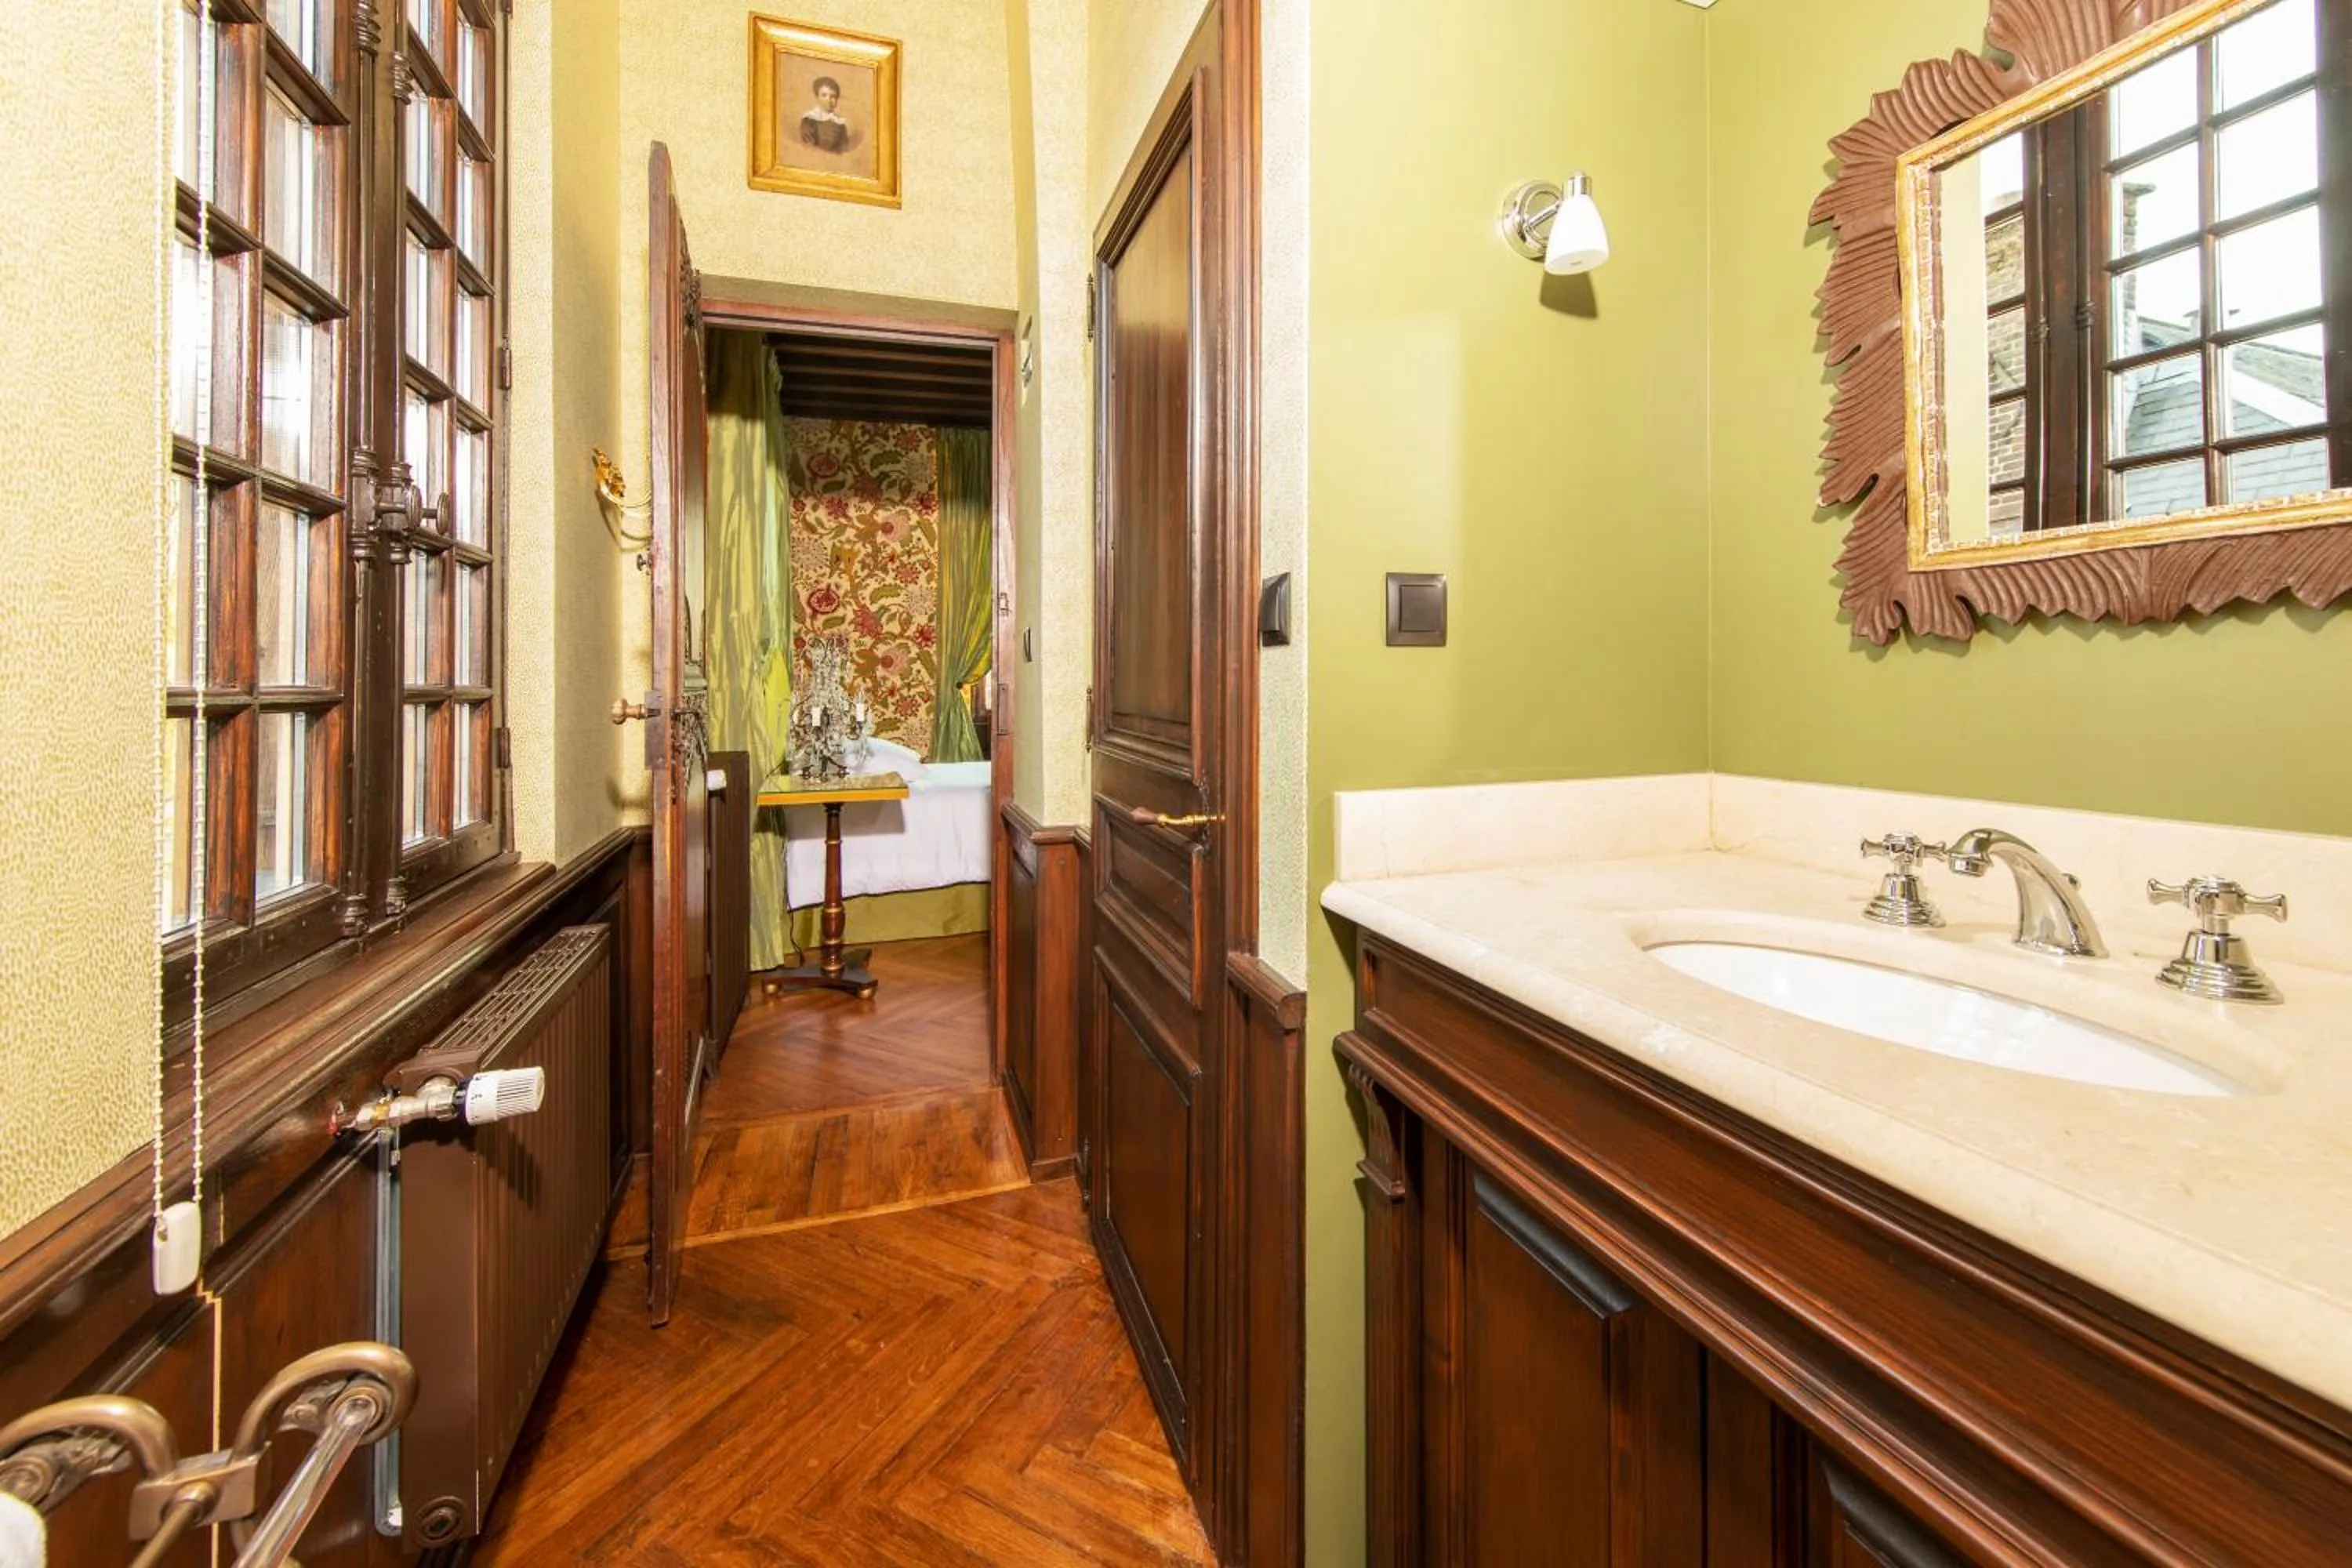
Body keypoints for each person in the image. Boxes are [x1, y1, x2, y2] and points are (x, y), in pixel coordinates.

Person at [799, 76, 849, 154]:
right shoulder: (810, 120)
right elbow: (809, 147)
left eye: (833, 96)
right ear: (817, 97)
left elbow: (844, 149)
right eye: (824, 95)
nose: (828, 100)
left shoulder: (840, 124)